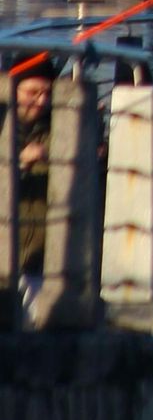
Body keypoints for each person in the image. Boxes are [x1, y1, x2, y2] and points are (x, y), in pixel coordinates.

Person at [7, 49, 57, 275]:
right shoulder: (4, 131)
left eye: (47, 93)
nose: (42, 101)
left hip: (45, 262)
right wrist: (20, 163)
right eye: (33, 92)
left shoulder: (59, 130)